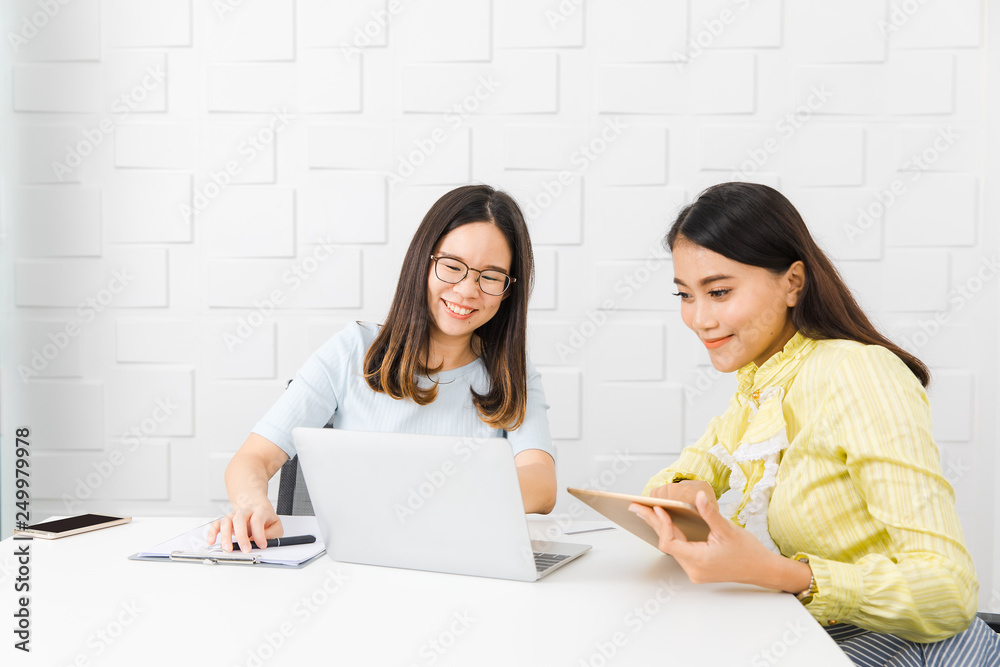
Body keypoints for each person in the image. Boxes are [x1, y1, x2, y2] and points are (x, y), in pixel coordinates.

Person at [629, 182, 999, 665]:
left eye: (719, 292)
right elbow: (693, 465)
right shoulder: (760, 383)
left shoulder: (858, 372)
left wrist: (783, 573)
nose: (699, 319)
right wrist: (686, 485)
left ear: (793, 283)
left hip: (909, 648)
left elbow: (949, 592)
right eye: (685, 295)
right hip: (815, 641)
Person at [208, 184, 556, 553]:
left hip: (461, 561)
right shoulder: (353, 350)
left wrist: (431, 496)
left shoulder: (510, 374)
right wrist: (251, 505)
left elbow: (542, 485)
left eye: (490, 277)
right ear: (423, 263)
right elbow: (253, 458)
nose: (467, 290)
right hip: (357, 566)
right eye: (453, 267)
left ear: (508, 289)